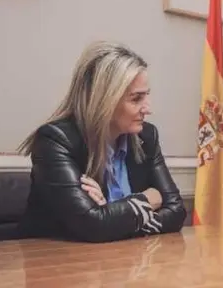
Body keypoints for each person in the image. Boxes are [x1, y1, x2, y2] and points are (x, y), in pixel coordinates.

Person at [18, 41, 186, 242]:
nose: (148, 109)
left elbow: (177, 211)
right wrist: (148, 200)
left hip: (122, 258)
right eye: (136, 99)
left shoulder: (146, 136)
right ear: (104, 100)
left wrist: (113, 215)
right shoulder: (55, 140)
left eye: (146, 96)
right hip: (56, 259)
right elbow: (92, 225)